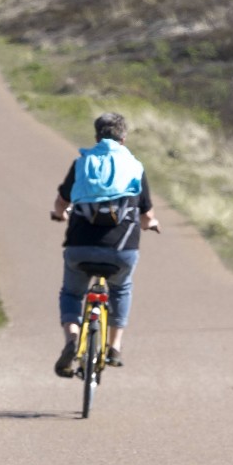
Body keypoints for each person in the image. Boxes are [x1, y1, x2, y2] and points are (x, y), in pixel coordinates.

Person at [51, 113, 161, 375]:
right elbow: (146, 214)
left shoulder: (82, 163)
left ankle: (72, 339)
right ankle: (114, 347)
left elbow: (61, 203)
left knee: (72, 294)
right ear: (124, 139)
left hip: (79, 248)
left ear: (96, 136)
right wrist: (151, 224)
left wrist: (59, 215)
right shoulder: (135, 166)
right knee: (120, 290)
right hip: (122, 250)